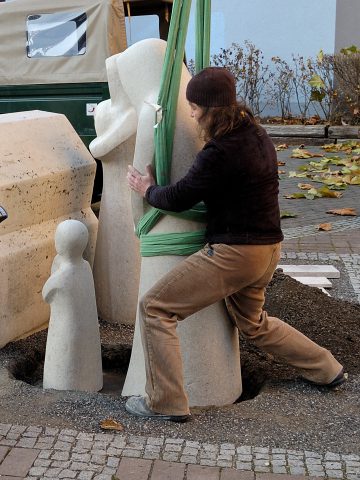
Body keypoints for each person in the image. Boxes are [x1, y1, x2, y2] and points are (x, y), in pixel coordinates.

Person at [125, 67, 345, 423]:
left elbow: (179, 197)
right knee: (254, 323)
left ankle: (166, 402)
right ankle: (326, 367)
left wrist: (146, 189)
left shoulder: (220, 152)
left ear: (212, 109)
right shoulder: (257, 134)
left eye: (195, 107)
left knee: (155, 308)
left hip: (235, 254)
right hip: (269, 250)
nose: (192, 114)